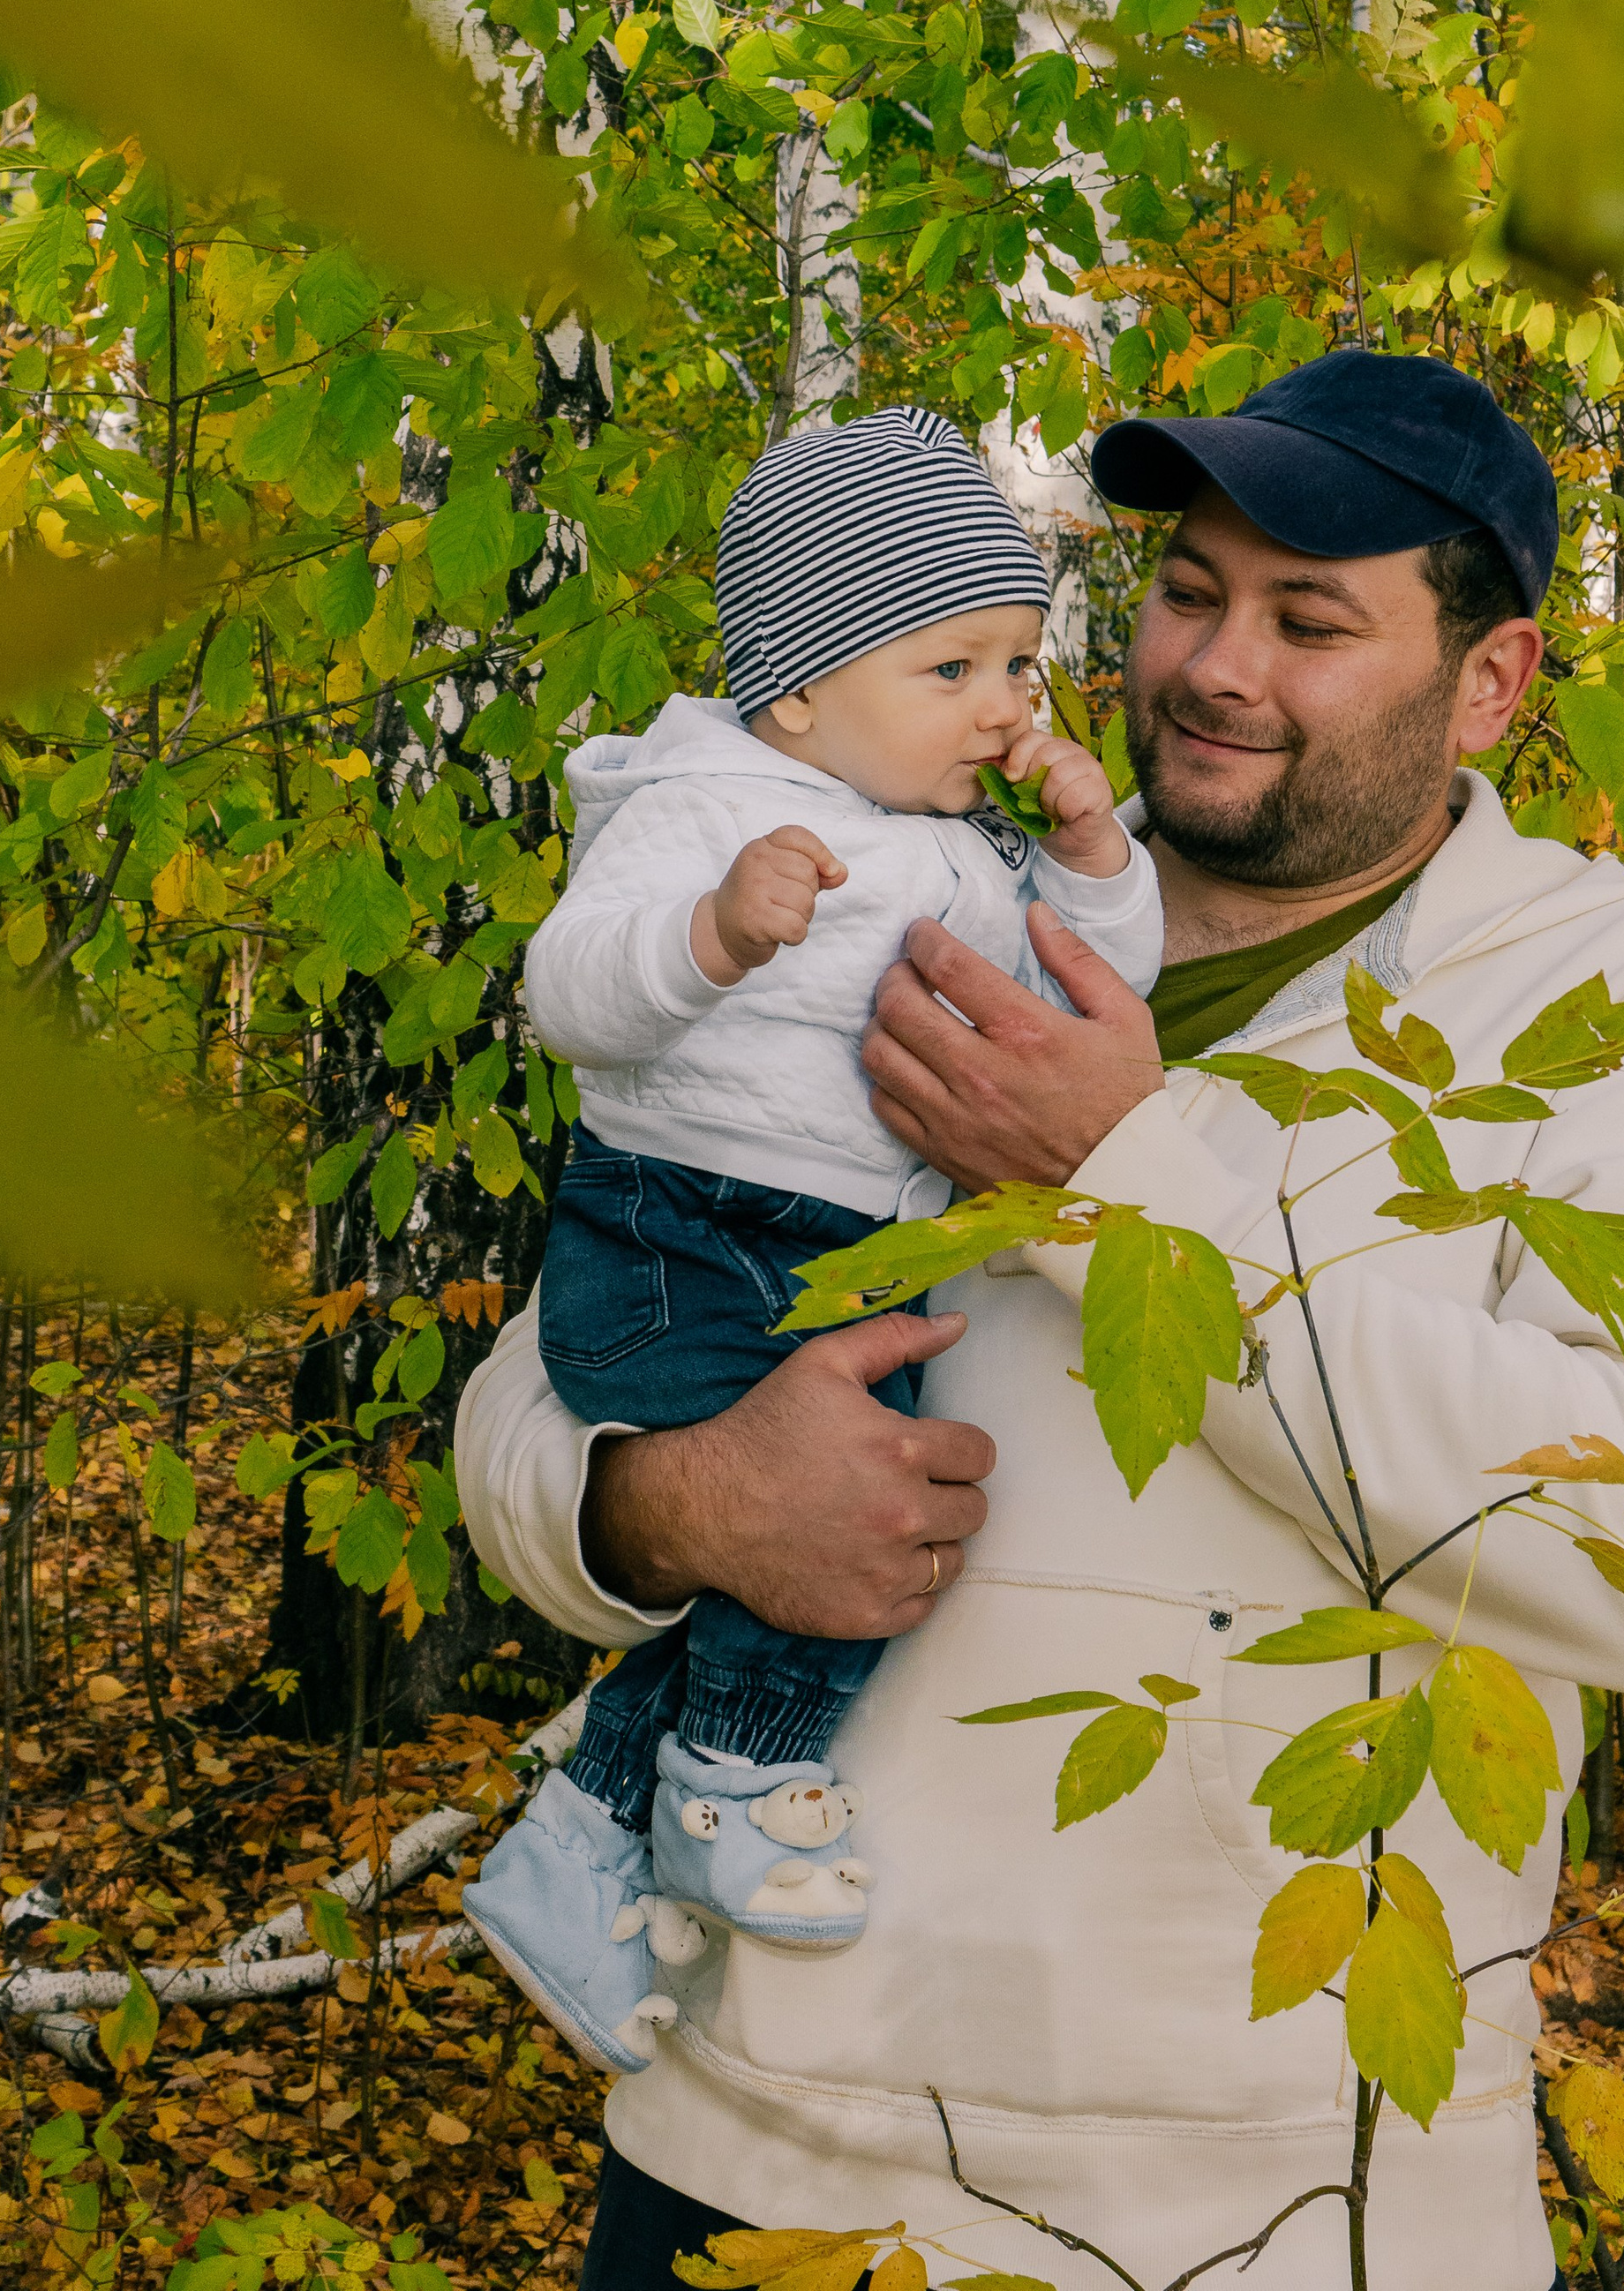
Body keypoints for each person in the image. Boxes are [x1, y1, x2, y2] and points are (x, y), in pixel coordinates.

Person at [455, 349, 1624, 2291]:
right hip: (749, 2150)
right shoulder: (911, 898)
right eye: (1187, 589)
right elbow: (536, 1400)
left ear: (1491, 678)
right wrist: (674, 1507)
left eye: (1311, 620)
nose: (1211, 666)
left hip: (1275, 2206)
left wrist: (1120, 1191)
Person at [461, 405, 1164, 2076]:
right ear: (797, 693)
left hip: (839, 1243)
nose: (1006, 706)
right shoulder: (708, 803)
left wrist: (1089, 853)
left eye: (1020, 664)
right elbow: (568, 990)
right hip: (689, 1228)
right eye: (956, 670)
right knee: (843, 1508)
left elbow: (1104, 975)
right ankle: (738, 1781)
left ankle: (586, 1843)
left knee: (840, 1500)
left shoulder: (956, 833)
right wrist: (708, 937)